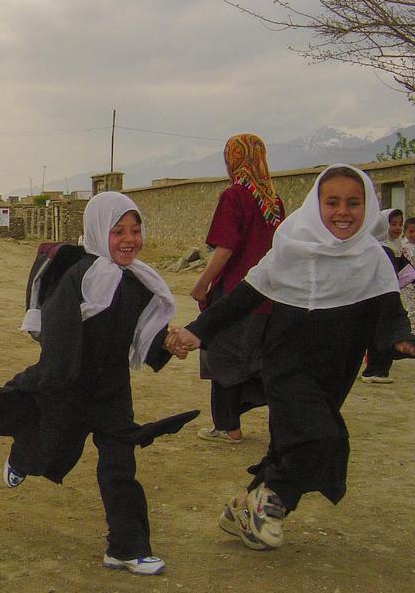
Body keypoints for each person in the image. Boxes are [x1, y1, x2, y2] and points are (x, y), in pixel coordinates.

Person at [169, 164, 415, 552]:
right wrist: (197, 331)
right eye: (331, 202)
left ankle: (242, 509)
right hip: (287, 364)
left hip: (336, 371)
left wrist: (402, 340)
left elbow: (389, 311)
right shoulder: (291, 248)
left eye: (354, 202)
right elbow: (243, 297)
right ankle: (274, 501)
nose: (343, 211)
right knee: (323, 438)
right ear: (316, 204)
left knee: (289, 445)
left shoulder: (372, 258)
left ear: (368, 206)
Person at [0, 192, 198, 576]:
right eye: (118, 230)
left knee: (120, 466)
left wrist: (165, 343)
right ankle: (22, 456)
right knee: (52, 448)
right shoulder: (80, 276)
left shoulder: (137, 281)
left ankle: (126, 548)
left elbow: (140, 332)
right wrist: (54, 383)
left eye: (135, 230)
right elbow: (58, 331)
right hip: (69, 387)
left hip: (113, 395)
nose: (129, 238)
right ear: (99, 230)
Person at [190, 133, 284, 444]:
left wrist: (202, 283)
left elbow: (226, 247)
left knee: (223, 359)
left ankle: (228, 427)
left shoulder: (234, 196)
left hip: (235, 294)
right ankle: (262, 425)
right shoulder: (274, 202)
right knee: (257, 360)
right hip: (269, 296)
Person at [360, 209, 407, 383]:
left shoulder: (395, 248)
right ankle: (374, 370)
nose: (397, 228)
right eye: (392, 224)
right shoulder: (380, 249)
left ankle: (378, 369)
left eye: (400, 224)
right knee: (379, 331)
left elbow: (406, 272)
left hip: (386, 297)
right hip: (379, 298)